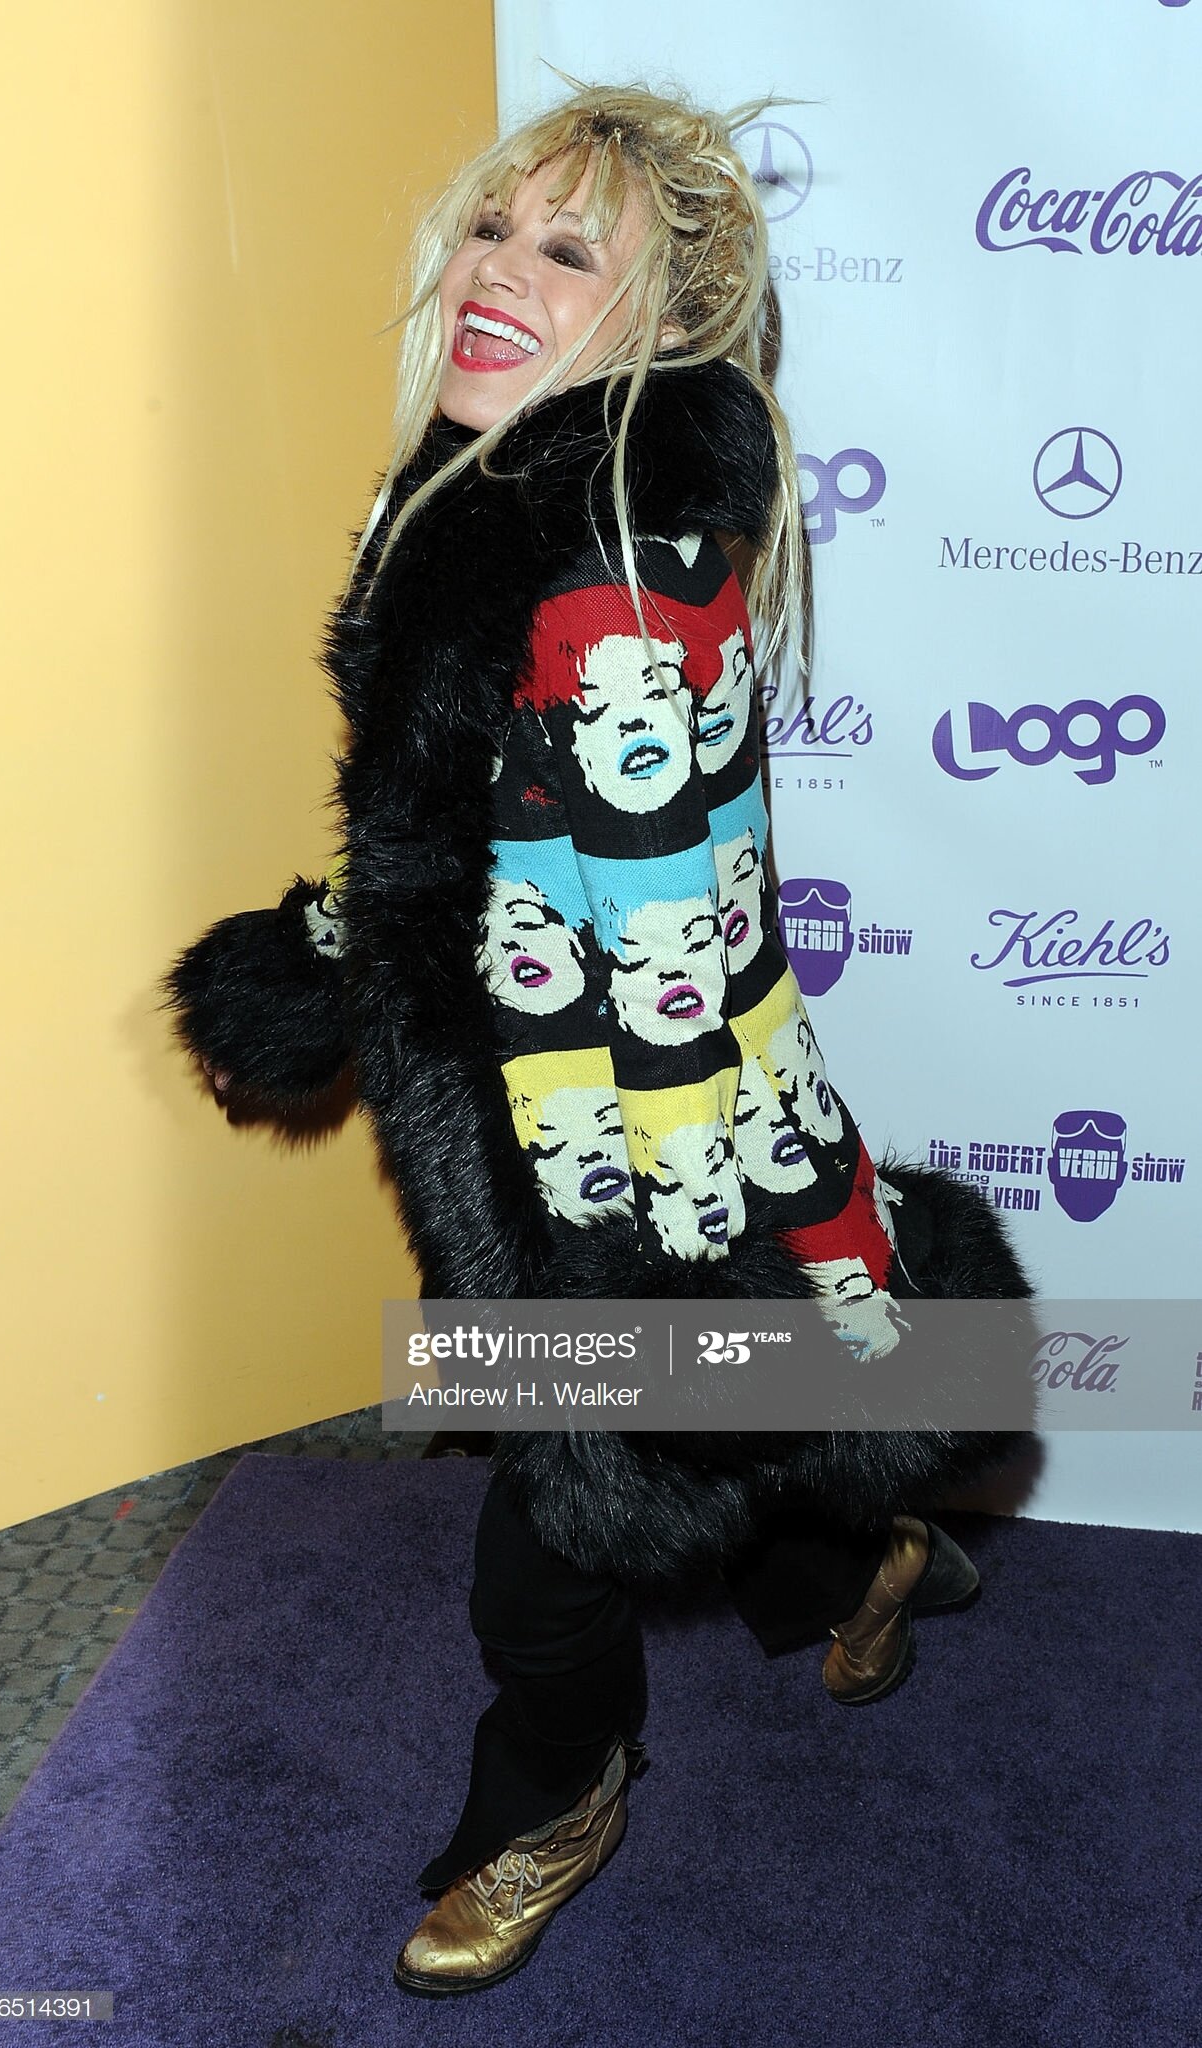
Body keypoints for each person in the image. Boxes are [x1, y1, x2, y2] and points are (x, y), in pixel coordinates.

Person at [162, 78, 1035, 1998]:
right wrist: (327, 948)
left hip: (627, 1139)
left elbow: (647, 939)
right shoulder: (494, 493)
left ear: (654, 323)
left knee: (555, 1537)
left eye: (571, 255)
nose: (499, 275)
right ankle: (863, 1556)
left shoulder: (610, 569)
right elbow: (479, 858)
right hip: (538, 1094)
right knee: (722, 1432)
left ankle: (556, 1791)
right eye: (495, 228)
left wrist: (624, 1254)